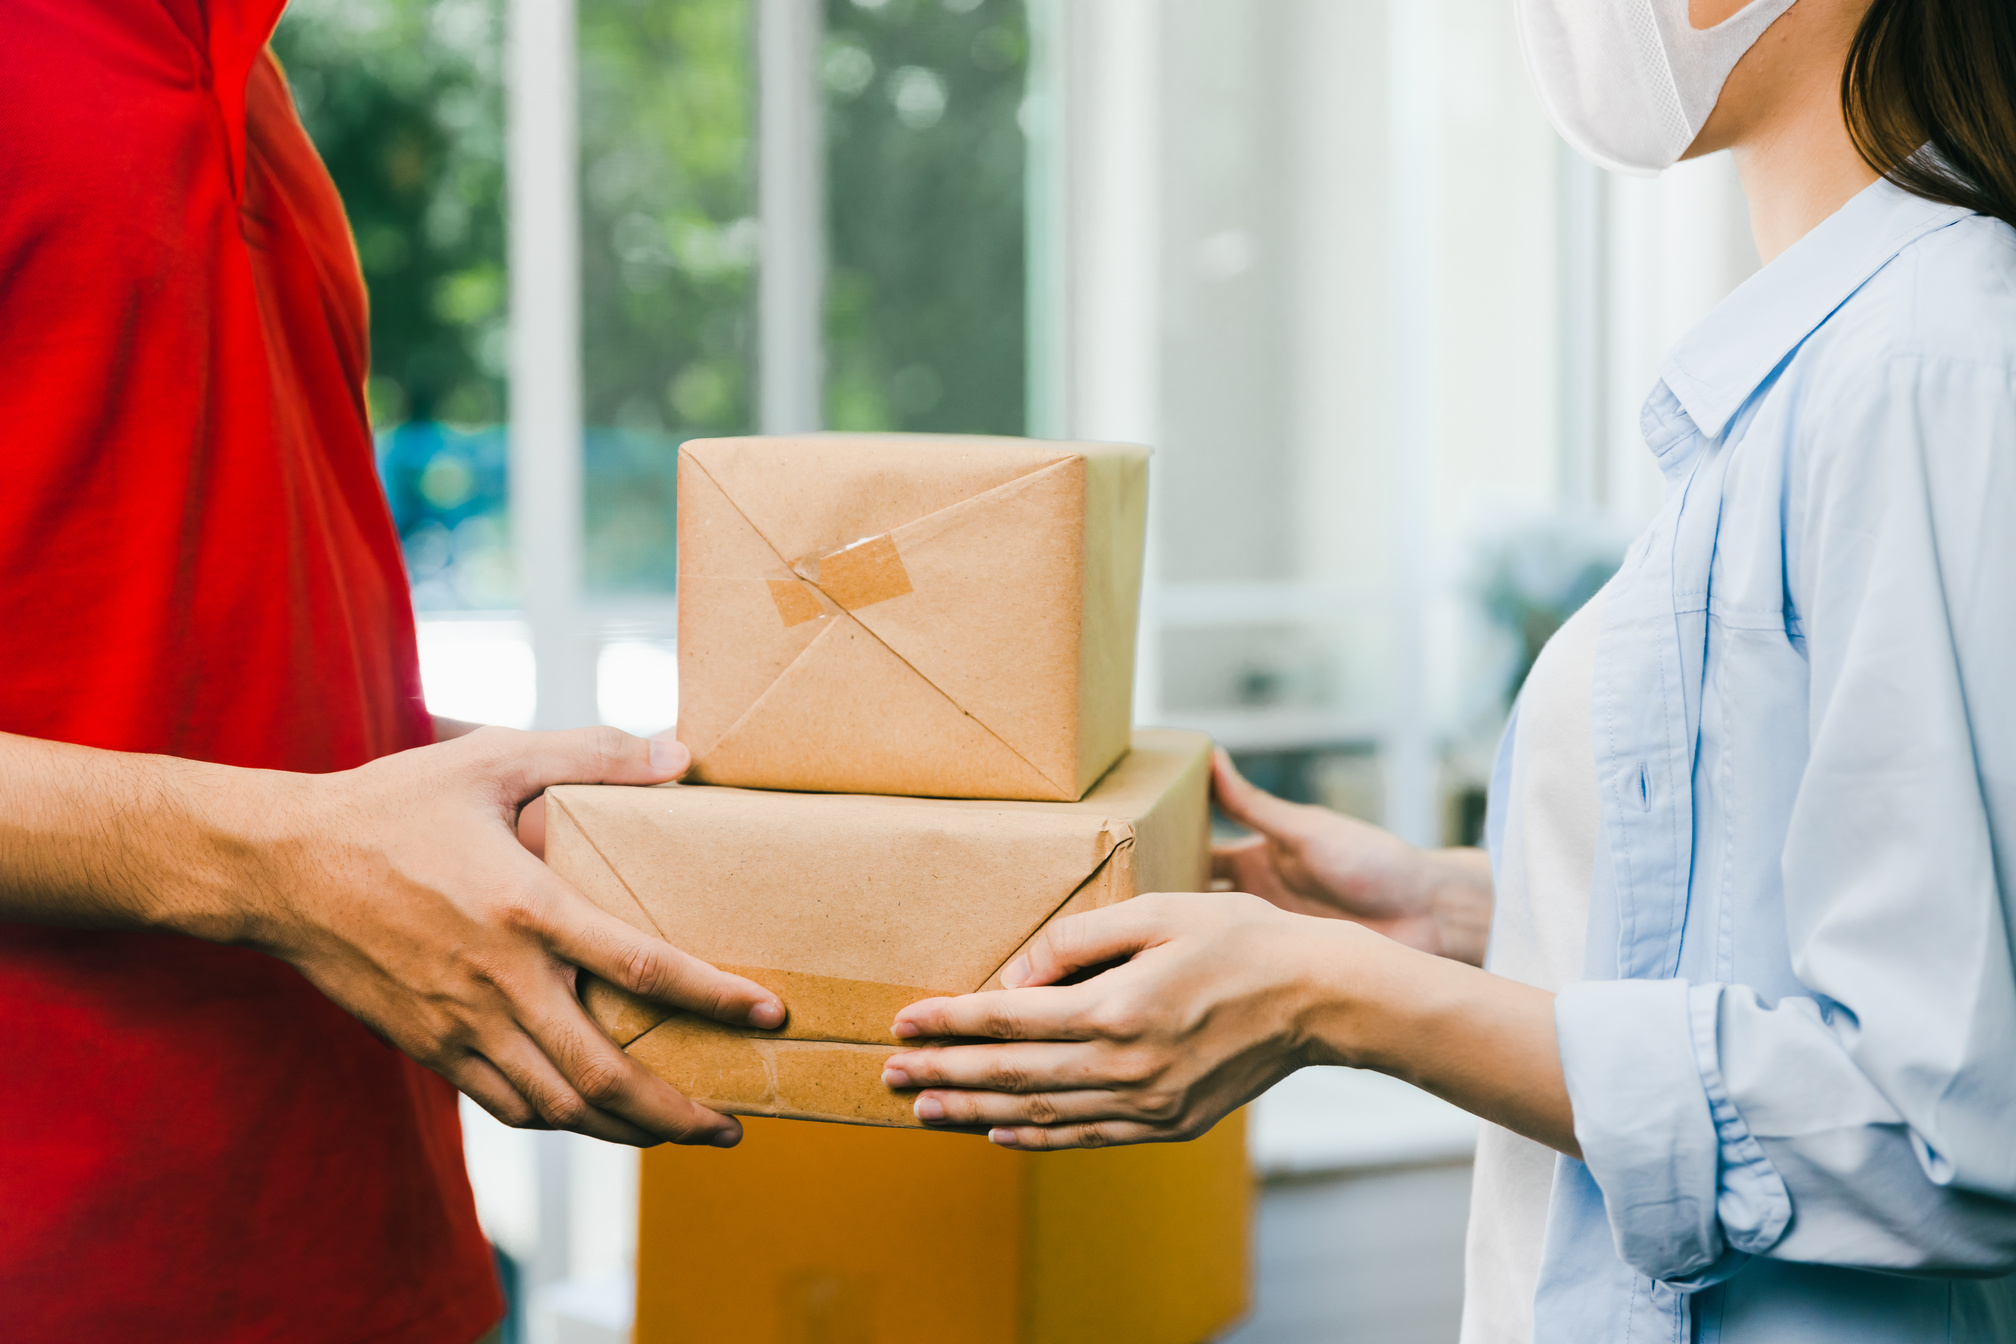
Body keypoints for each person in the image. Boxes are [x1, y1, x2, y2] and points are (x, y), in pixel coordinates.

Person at [881, 0, 2016, 1338]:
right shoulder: (1823, 369)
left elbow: (1945, 1121)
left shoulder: (1935, 362)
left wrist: (1337, 997)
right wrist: (1462, 917)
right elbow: (1795, 885)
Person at [0, 3, 783, 1340]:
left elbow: (189, 657)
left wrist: (539, 810)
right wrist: (285, 860)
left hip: (380, 1245)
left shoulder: (245, 78)